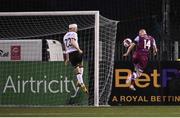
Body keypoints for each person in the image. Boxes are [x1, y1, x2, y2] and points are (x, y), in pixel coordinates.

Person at [63, 24, 88, 94]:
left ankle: (80, 82)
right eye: (76, 28)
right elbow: (72, 42)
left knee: (76, 68)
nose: (76, 30)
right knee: (81, 64)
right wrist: (79, 49)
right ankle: (80, 82)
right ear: (72, 29)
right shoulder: (74, 34)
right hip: (76, 52)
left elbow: (66, 49)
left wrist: (67, 58)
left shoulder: (64, 36)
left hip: (70, 55)